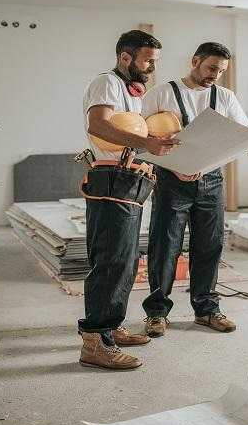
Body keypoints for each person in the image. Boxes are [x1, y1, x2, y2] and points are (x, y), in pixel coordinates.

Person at [140, 42, 248, 337]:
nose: (215, 75)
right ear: (195, 61)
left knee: (209, 246)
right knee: (165, 247)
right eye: (211, 68)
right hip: (171, 181)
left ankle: (207, 310)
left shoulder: (225, 96)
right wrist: (172, 165)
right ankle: (157, 313)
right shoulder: (161, 93)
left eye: (221, 71)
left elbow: (242, 131)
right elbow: (141, 137)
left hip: (211, 182)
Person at [77, 30, 179, 370]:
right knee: (110, 260)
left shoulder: (133, 94)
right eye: (148, 60)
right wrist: (147, 142)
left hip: (130, 177)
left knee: (126, 260)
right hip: (110, 177)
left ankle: (112, 326)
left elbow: (133, 135)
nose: (151, 67)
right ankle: (95, 342)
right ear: (125, 57)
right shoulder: (106, 82)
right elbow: (100, 126)